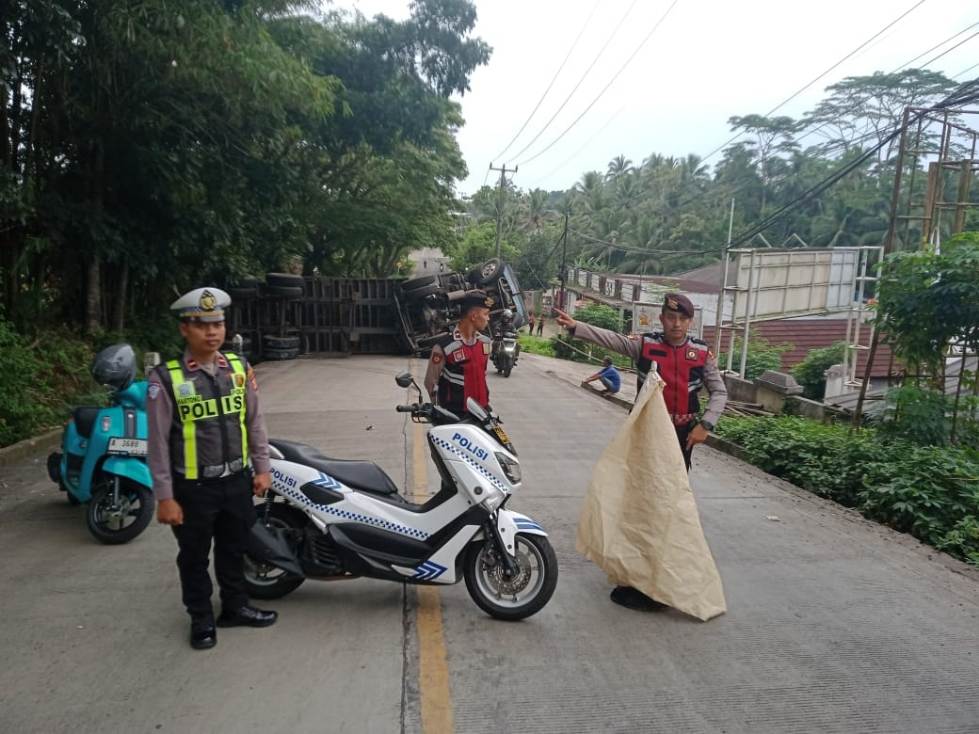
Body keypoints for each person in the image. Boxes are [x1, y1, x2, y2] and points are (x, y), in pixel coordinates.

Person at [555, 293, 728, 612]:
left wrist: (706, 424)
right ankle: (641, 573)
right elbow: (614, 340)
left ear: (690, 322)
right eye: (671, 318)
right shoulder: (646, 346)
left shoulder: (701, 353)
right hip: (647, 438)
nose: (676, 324)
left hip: (680, 439)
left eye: (683, 319)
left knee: (667, 507)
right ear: (661, 319)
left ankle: (658, 580)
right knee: (642, 505)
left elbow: (719, 392)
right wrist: (577, 326)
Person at [148, 287, 277, 650]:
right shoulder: (166, 379)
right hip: (192, 488)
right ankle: (201, 619)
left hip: (236, 479)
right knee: (193, 556)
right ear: (184, 329)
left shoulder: (239, 367)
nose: (212, 332)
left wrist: (262, 467)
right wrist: (164, 497)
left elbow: (254, 421)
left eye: (217, 323)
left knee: (234, 548)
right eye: (202, 325)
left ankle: (235, 607)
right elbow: (157, 443)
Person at [424, 290, 494, 418]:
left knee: (500, 438)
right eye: (486, 314)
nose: (488, 318)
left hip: (483, 412)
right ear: (473, 316)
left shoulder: (485, 342)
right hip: (455, 416)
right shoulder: (444, 347)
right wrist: (440, 412)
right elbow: (430, 382)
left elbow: (481, 375)